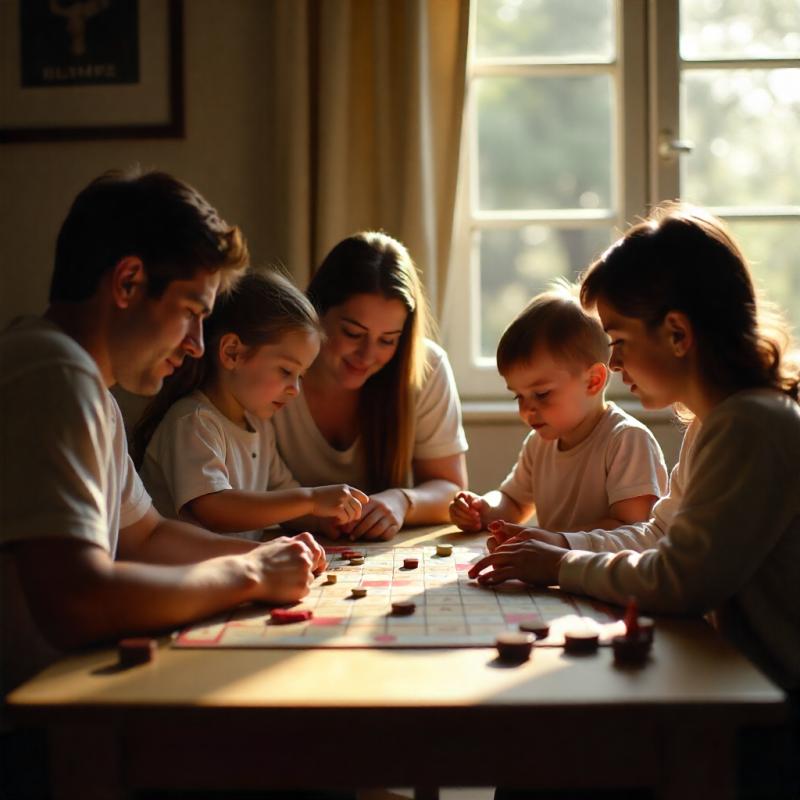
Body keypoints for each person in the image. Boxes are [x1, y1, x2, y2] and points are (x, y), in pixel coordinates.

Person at [0, 169, 327, 711]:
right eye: (192, 312)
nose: (198, 344)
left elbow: (147, 536)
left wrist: (267, 554)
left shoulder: (87, 390)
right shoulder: (53, 375)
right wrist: (248, 573)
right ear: (128, 283)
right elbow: (77, 602)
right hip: (30, 728)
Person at [469, 203, 800, 699]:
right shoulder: (715, 422)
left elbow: (679, 580)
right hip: (735, 682)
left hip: (771, 703)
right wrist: (559, 547)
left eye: (619, 340)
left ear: (678, 334)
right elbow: (659, 535)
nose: (614, 361)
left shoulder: (751, 425)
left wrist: (560, 566)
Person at [134, 269, 368, 540]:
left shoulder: (259, 427)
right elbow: (213, 509)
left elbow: (282, 495)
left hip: (238, 564)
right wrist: (311, 500)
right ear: (232, 352)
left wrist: (322, 520)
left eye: (301, 376)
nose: (295, 389)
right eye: (286, 371)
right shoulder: (193, 421)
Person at [272, 231, 469, 541]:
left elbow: (452, 491)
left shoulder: (426, 366)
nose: (367, 355)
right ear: (316, 312)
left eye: (387, 340)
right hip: (284, 543)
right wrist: (313, 516)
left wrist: (402, 501)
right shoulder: (272, 368)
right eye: (353, 333)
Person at [449, 285, 668, 535]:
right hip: (559, 559)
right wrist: (482, 508)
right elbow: (513, 502)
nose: (526, 409)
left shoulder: (626, 440)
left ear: (593, 381)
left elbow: (631, 528)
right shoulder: (539, 444)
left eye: (541, 394)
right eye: (518, 396)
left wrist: (553, 540)